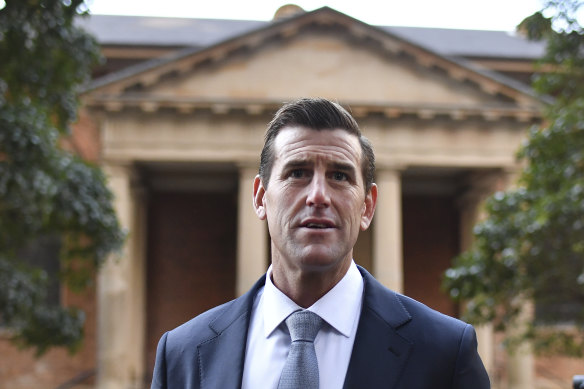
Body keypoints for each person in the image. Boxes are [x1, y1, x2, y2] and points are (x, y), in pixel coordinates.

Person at [151, 98, 490, 389]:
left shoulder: (444, 353)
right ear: (259, 198)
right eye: (297, 173)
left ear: (367, 206)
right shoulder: (183, 353)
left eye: (340, 176)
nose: (318, 196)